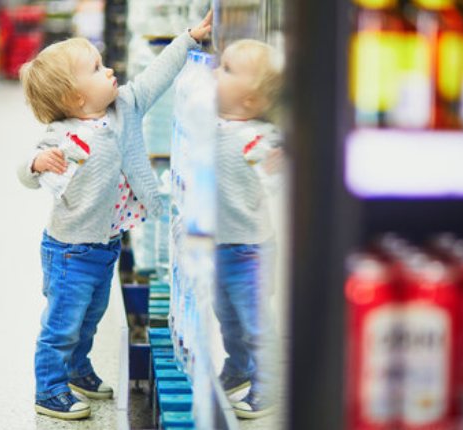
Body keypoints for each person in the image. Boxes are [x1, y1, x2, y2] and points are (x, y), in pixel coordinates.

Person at [16, 11, 213, 420]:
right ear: (74, 98)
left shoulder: (125, 107)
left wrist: (189, 39)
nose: (109, 72)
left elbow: (157, 75)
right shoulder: (61, 135)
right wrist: (37, 163)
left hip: (105, 245)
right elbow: (25, 172)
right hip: (69, 251)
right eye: (96, 68)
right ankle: (49, 389)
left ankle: (77, 369)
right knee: (62, 325)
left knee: (90, 318)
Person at [213, 39, 284, 419]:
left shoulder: (258, 139)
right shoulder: (213, 122)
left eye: (225, 70)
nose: (213, 74)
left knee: (255, 321)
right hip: (219, 244)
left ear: (252, 101)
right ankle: (238, 367)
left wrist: (279, 159)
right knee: (226, 315)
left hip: (249, 250)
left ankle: (268, 384)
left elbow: (277, 169)